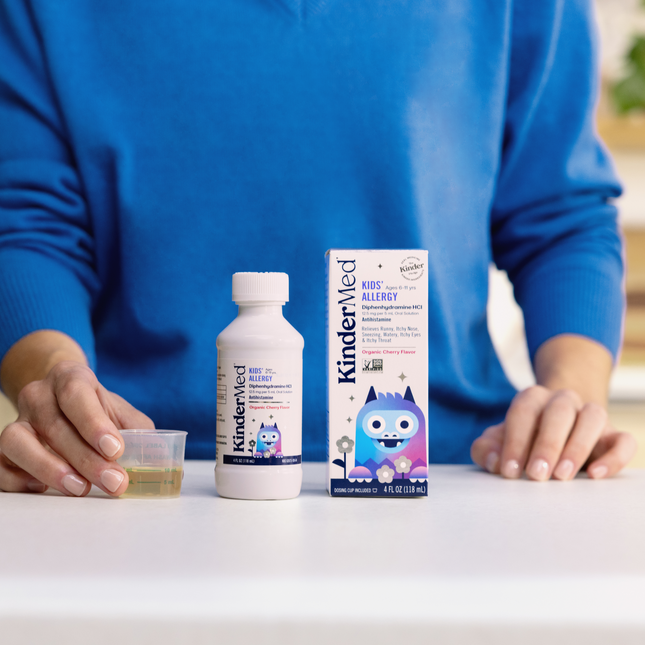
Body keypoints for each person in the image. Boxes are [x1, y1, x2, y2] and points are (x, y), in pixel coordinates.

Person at [0, 0, 636, 497]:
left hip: (449, 474)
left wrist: (572, 391)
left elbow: (559, 214)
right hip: (142, 475)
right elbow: (29, 225)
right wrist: (55, 377)